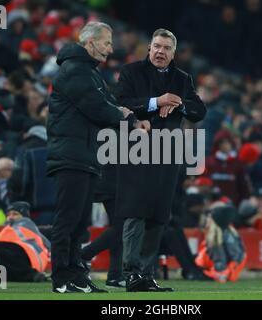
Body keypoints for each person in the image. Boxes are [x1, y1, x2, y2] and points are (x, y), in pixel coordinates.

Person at [46, 22, 147, 294]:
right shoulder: (76, 72)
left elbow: (105, 106)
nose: (110, 49)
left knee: (79, 223)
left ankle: (77, 275)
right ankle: (62, 278)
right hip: (71, 155)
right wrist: (126, 116)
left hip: (86, 155)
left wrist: (125, 113)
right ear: (89, 44)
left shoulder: (87, 72)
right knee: (68, 220)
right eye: (106, 43)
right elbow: (98, 108)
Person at [114, 28, 207, 292]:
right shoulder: (132, 72)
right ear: (149, 48)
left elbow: (199, 110)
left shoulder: (182, 78)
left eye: (166, 48)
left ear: (173, 53)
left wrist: (177, 104)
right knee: (135, 211)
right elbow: (119, 102)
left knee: (159, 215)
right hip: (137, 151)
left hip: (167, 155)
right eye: (156, 46)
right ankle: (131, 273)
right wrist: (156, 102)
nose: (160, 52)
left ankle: (146, 273)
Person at [0, 201, 50, 282]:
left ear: (24, 216)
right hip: (17, 259)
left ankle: (31, 275)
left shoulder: (26, 223)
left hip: (26, 257)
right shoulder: (7, 229)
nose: (10, 217)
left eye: (15, 214)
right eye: (8, 214)